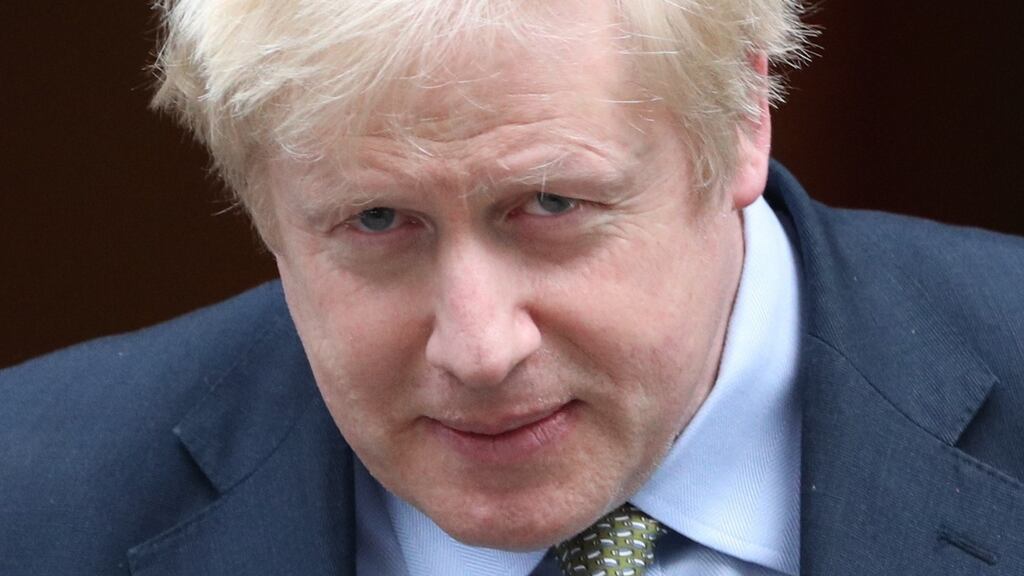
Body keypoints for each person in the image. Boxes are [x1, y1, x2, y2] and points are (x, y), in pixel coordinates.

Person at [2, 0, 1022, 574]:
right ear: (261, 202)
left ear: (742, 118)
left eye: (549, 205)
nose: (479, 349)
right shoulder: (31, 506)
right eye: (376, 221)